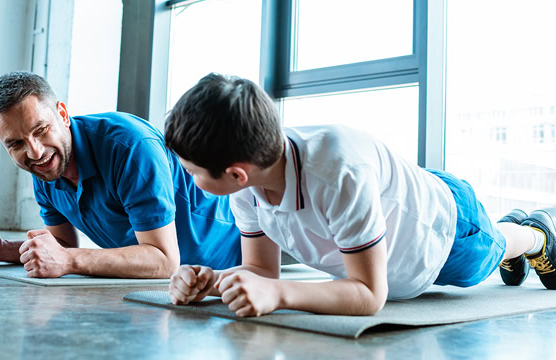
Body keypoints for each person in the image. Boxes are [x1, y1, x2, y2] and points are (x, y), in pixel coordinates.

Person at [164, 73, 556, 317]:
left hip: (449, 229)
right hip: (395, 200)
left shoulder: (337, 175)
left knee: (495, 248)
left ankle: (537, 233)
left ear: (235, 172)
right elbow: (262, 273)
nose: (190, 178)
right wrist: (213, 281)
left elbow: (369, 293)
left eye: (191, 172)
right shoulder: (247, 189)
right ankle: (520, 237)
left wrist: (280, 294)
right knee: (494, 248)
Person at [0, 71, 241, 278]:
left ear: (63, 114)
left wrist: (69, 261)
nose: (34, 152)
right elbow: (63, 245)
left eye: (40, 130)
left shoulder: (131, 147)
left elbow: (165, 261)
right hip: (181, 286)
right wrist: (5, 251)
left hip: (239, 255)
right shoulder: (45, 167)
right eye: (16, 143)